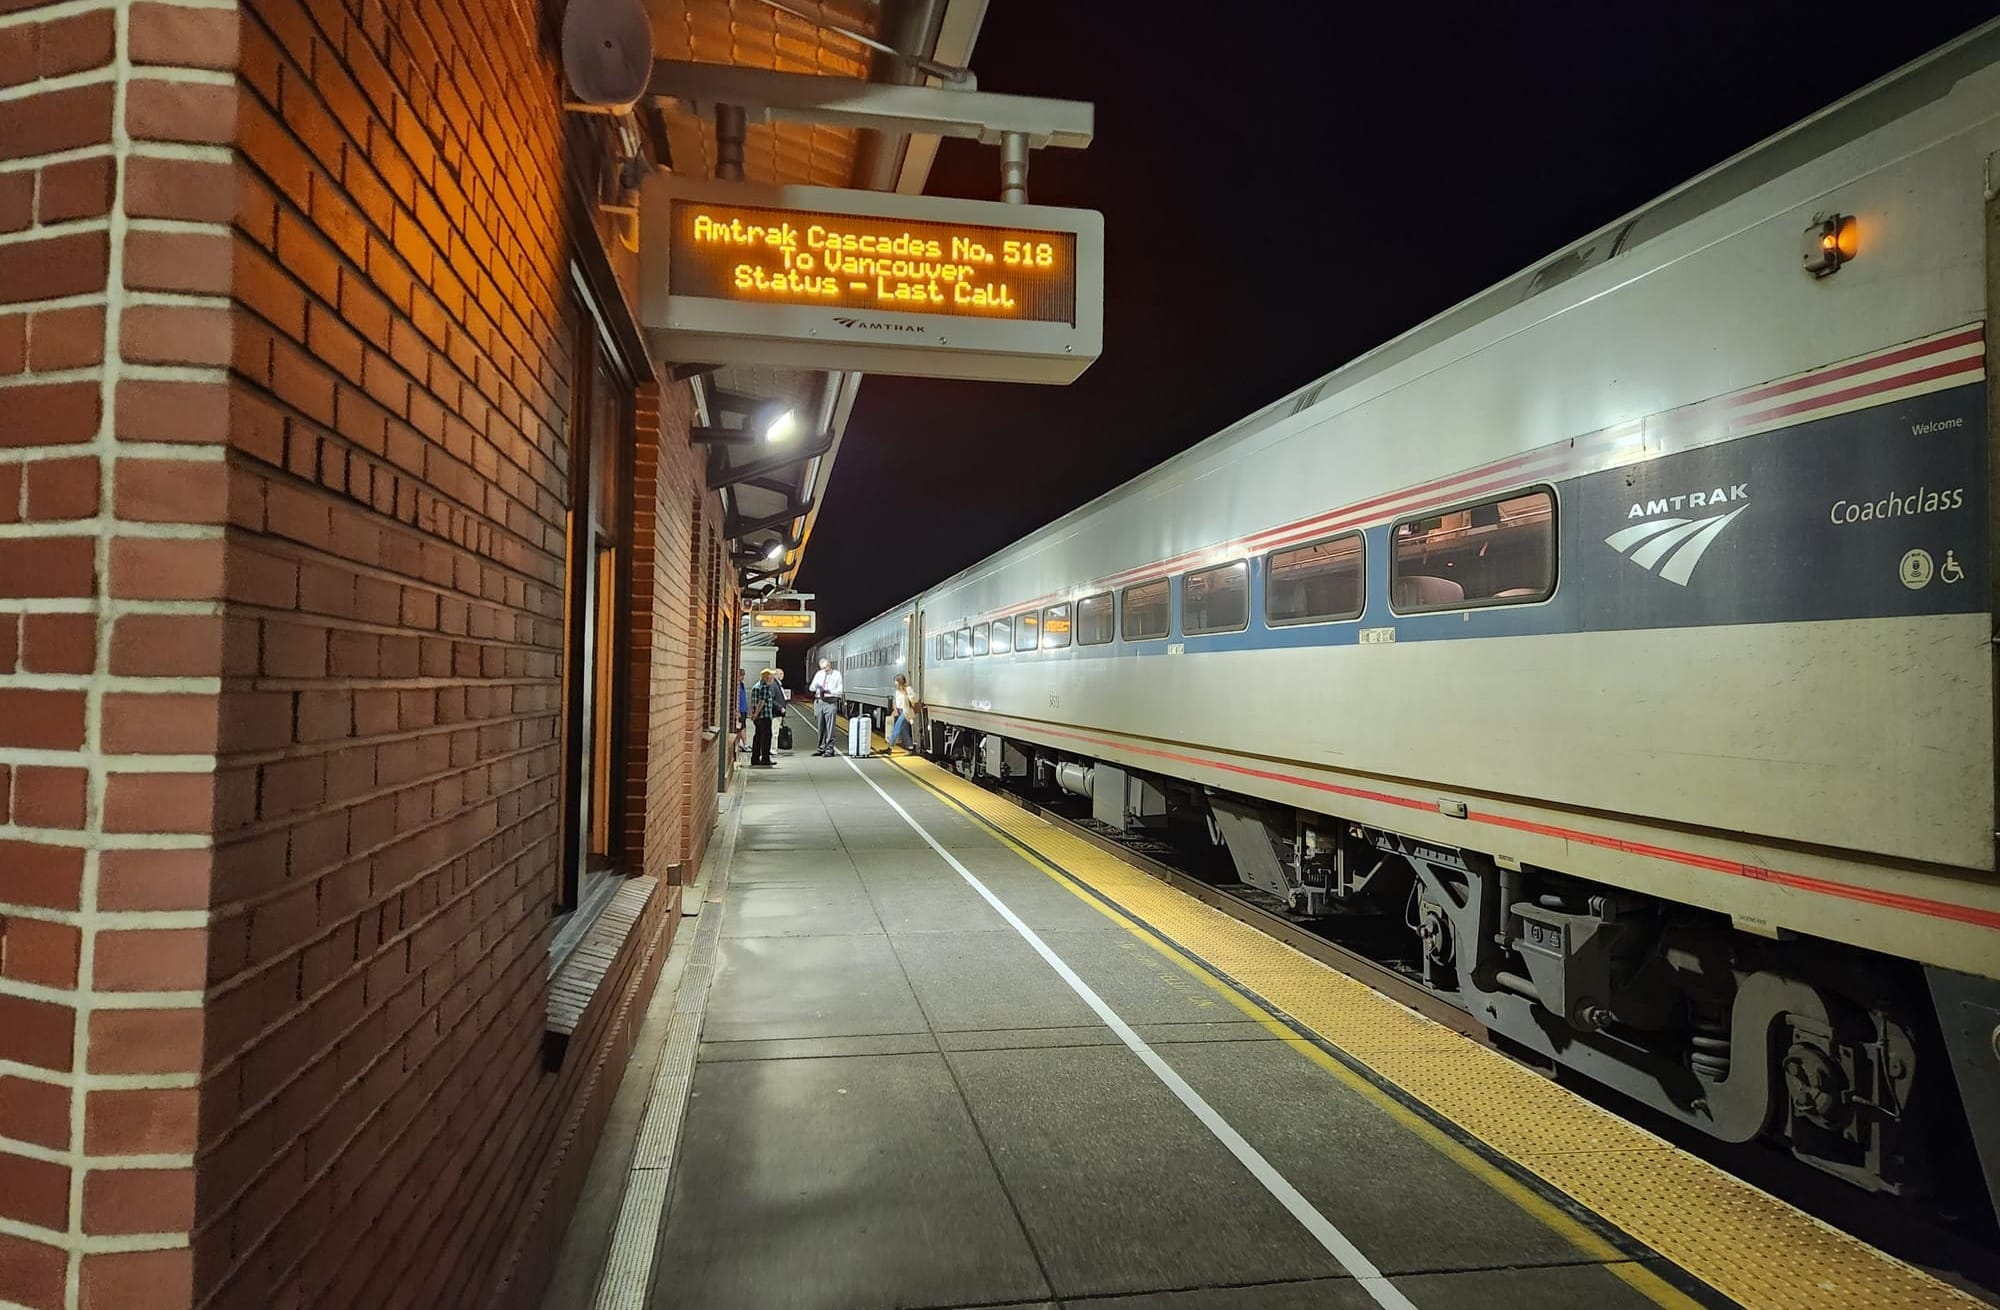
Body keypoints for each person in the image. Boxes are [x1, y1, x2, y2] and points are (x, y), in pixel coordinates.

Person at [808, 657, 842, 756]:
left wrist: (830, 691)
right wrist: (817, 687)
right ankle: (821, 748)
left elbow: (840, 690)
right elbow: (811, 687)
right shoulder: (819, 674)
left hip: (830, 701)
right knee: (820, 726)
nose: (825, 669)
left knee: (830, 727)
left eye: (827, 667)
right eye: (823, 668)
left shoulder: (837, 675)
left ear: (830, 665)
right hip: (819, 701)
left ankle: (829, 750)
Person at [747, 669, 782, 767]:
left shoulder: (756, 686)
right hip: (764, 717)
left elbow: (754, 702)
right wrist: (756, 714)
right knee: (766, 738)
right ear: (766, 677)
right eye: (771, 677)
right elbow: (761, 702)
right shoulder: (764, 687)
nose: (772, 679)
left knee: (757, 737)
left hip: (758, 718)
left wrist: (753, 714)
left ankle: (755, 758)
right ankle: (765, 759)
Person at [885, 674, 921, 755]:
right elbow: (897, 702)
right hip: (900, 711)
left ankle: (890, 747)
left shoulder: (908, 689)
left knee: (897, 728)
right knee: (903, 730)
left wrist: (908, 694)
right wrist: (895, 710)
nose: (895, 684)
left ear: (900, 682)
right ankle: (910, 748)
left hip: (906, 712)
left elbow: (915, 698)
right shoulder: (898, 691)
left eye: (896, 682)